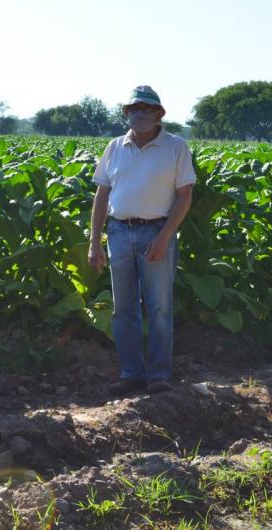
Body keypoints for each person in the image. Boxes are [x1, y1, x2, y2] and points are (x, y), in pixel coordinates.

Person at [88, 86, 195, 396]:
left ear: (159, 114)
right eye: (134, 109)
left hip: (156, 231)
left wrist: (165, 237)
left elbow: (184, 195)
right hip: (119, 231)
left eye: (147, 109)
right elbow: (102, 194)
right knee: (123, 310)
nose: (140, 114)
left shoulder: (175, 147)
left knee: (160, 308)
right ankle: (131, 374)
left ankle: (159, 376)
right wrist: (95, 241)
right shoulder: (115, 147)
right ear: (127, 113)